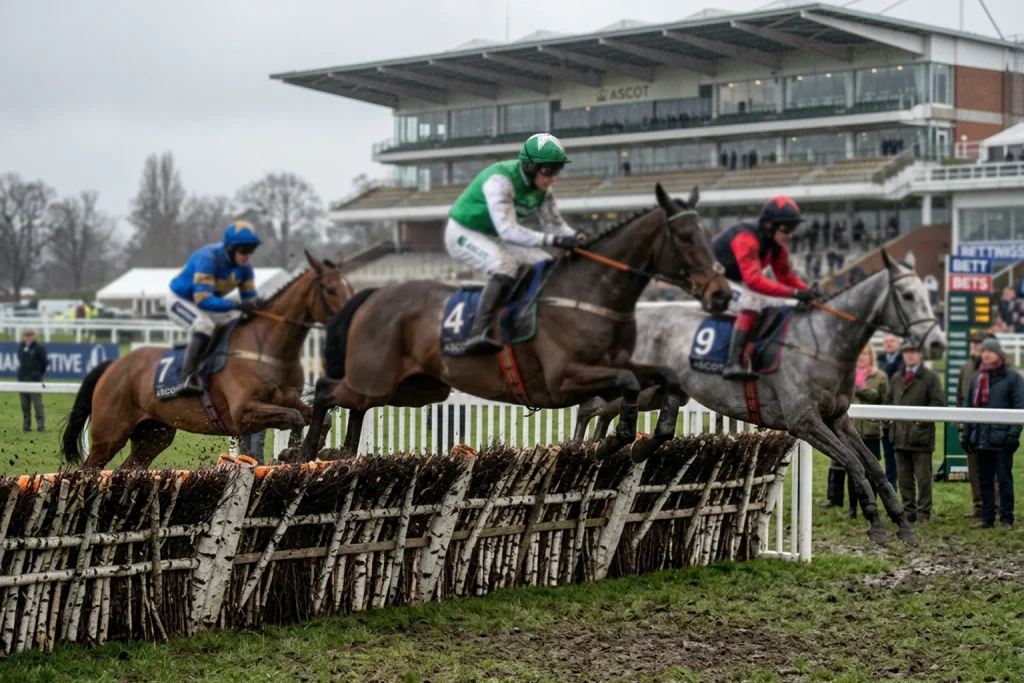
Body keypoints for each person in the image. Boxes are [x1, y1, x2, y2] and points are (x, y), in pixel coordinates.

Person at [445, 133, 586, 353]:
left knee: (547, 265)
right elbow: (509, 230)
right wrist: (556, 240)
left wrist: (577, 238)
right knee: (505, 266)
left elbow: (555, 226)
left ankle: (523, 317)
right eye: (549, 170)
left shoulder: (544, 190)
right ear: (529, 166)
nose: (553, 178)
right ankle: (476, 333)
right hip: (464, 233)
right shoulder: (500, 181)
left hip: (495, 235)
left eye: (557, 170)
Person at [711, 196, 818, 381]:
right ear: (769, 224)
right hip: (712, 279)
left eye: (793, 228)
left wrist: (808, 291)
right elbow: (753, 280)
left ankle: (755, 351)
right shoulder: (746, 237)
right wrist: (794, 293)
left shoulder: (776, 246)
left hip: (735, 279)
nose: (790, 235)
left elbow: (786, 276)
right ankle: (732, 362)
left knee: (779, 302)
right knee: (752, 302)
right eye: (786, 228)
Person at [167, 221, 263, 396]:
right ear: (230, 247)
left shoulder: (246, 268)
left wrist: (260, 304)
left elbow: (250, 298)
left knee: (238, 320)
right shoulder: (209, 257)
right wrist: (237, 305)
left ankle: (211, 361)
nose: (247, 255)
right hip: (180, 300)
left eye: (251, 251)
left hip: (207, 302)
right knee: (204, 325)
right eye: (243, 250)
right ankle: (186, 379)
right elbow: (202, 300)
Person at [963, 336, 1023, 530]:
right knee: (984, 480)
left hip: (1002, 439)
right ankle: (987, 517)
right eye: (984, 351)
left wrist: (1013, 434)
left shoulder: (1013, 378)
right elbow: (970, 408)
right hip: (981, 438)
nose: (986, 354)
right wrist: (967, 434)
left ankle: (1006, 519)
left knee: (1004, 480)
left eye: (990, 351)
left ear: (998, 354)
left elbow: (1019, 406)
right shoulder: (976, 378)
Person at [886, 341, 944, 525]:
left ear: (921, 355)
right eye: (906, 352)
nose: (909, 355)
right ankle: (908, 511)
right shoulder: (897, 378)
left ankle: (924, 513)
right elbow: (889, 403)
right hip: (899, 435)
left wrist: (920, 420)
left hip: (920, 436)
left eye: (913, 351)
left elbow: (938, 404)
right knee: (904, 478)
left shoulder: (930, 378)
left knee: (923, 478)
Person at [957, 330, 995, 519]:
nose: (975, 346)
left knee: (992, 470)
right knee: (973, 470)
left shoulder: (997, 369)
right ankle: (979, 506)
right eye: (973, 343)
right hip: (970, 427)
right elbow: (959, 398)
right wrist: (961, 425)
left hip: (990, 428)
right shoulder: (966, 368)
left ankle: (994, 507)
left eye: (979, 343)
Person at [848, 342, 889, 519]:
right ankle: (852, 508)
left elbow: (881, 398)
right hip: (850, 430)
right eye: (859, 353)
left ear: (871, 356)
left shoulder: (879, 376)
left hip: (871, 430)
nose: (861, 357)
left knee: (870, 472)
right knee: (852, 470)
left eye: (865, 354)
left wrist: (858, 389)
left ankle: (870, 507)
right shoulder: (846, 376)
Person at [876, 333, 904, 490]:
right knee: (887, 454)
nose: (888, 344)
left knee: (897, 455)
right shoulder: (879, 360)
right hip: (881, 415)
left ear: (898, 343)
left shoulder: (904, 362)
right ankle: (889, 486)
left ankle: (896, 485)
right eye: (886, 341)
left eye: (892, 341)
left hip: (897, 413)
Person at [16, 330, 48, 432]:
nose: (28, 338)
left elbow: (44, 362)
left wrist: (38, 374)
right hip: (23, 380)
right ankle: (26, 426)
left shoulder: (38, 348)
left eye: (30, 335)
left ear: (34, 336)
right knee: (25, 405)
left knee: (37, 404)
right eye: (26, 335)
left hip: (34, 380)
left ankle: (41, 426)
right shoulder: (22, 347)